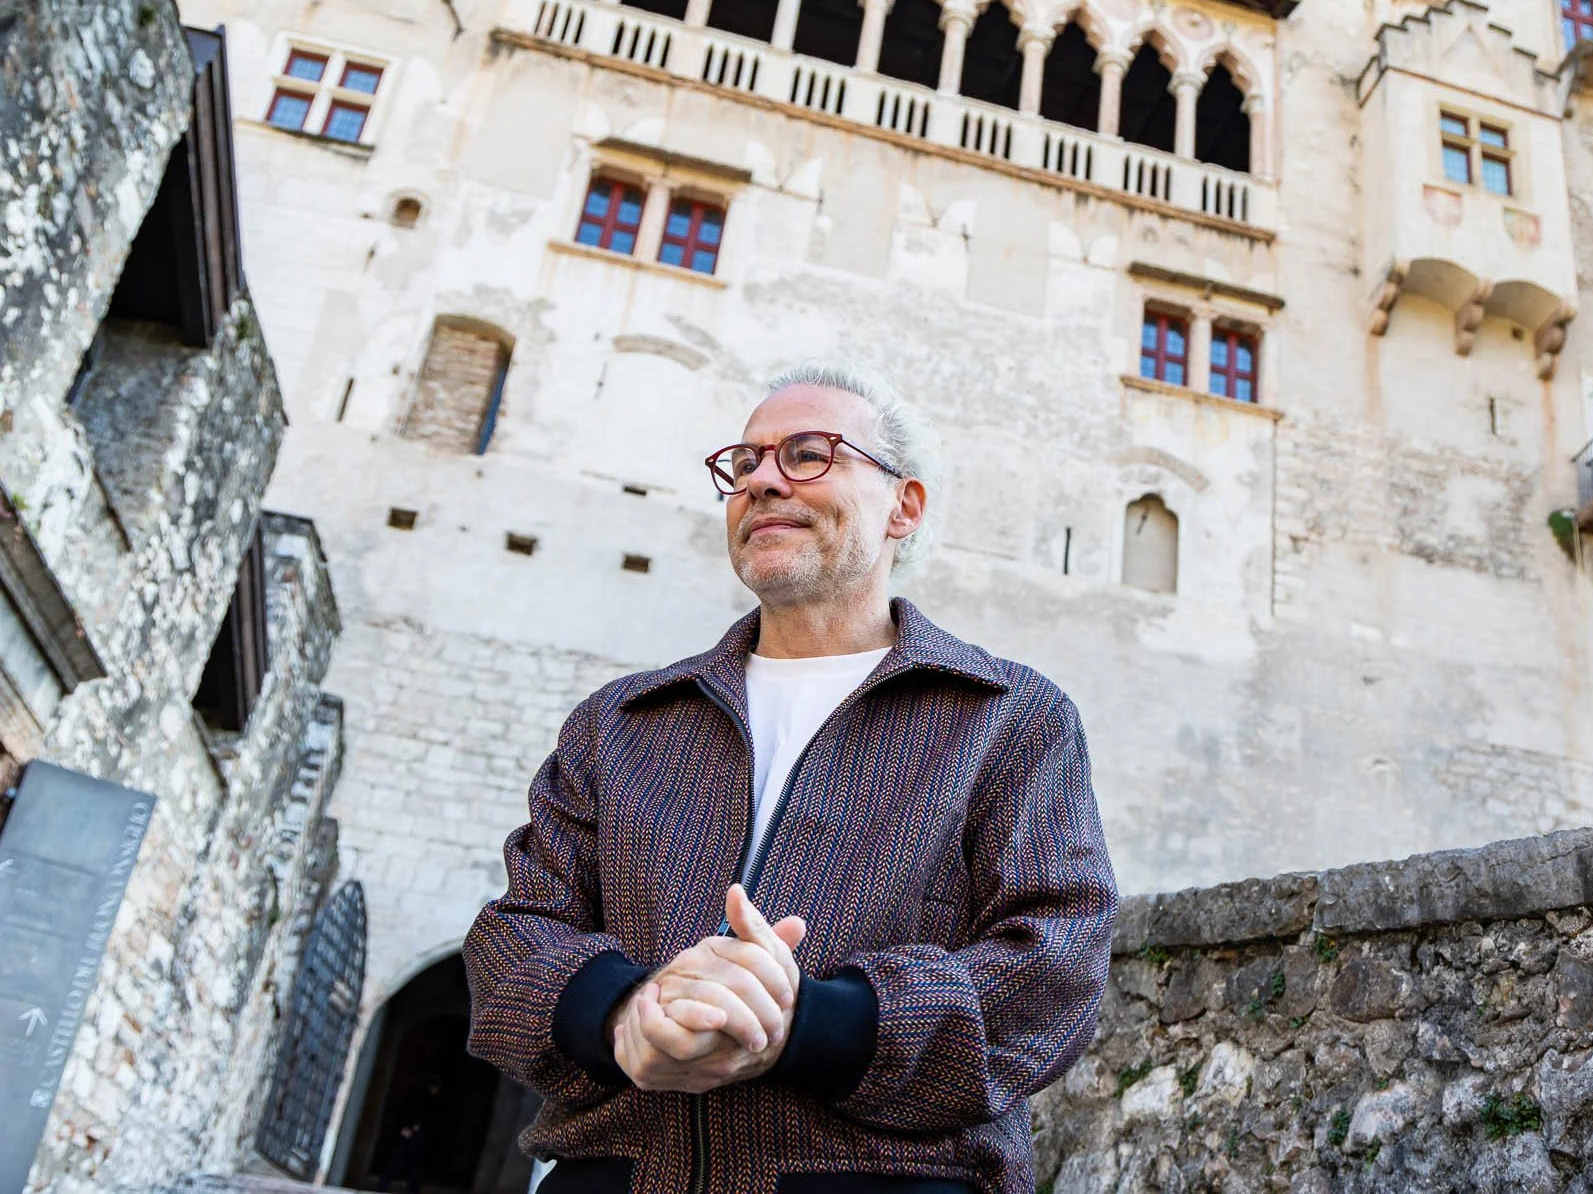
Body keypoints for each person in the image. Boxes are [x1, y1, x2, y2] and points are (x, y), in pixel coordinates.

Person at [464, 361, 1117, 1194]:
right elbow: (515, 934)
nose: (763, 481)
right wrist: (625, 1016)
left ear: (903, 507)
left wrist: (809, 1024)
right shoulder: (621, 722)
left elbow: (1055, 967)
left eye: (808, 454)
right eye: (744, 464)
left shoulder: (1009, 717)